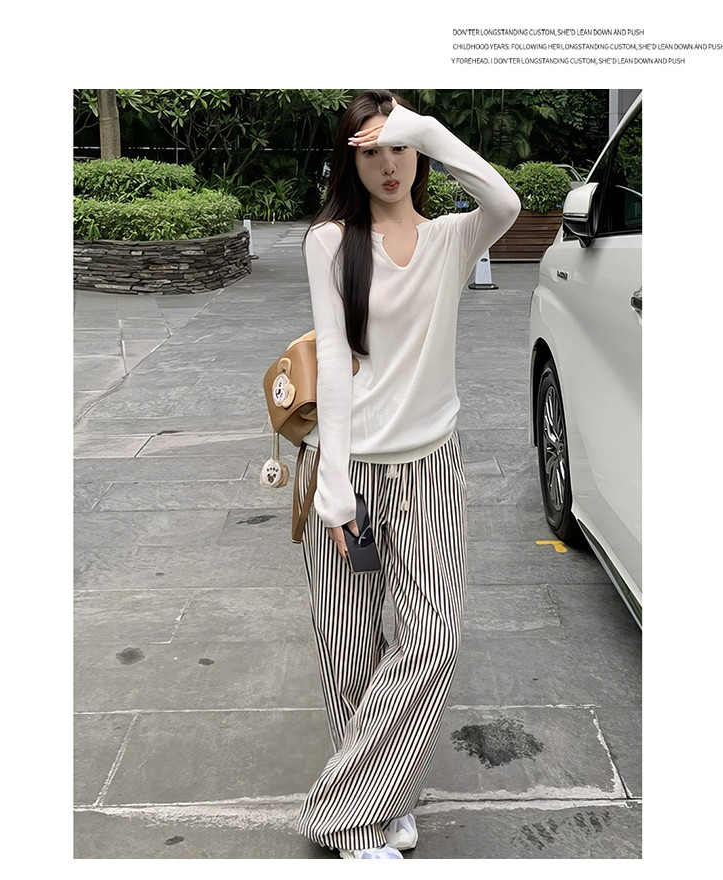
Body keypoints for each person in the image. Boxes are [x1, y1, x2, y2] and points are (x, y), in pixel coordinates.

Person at [295, 90, 521, 859]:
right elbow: (332, 357)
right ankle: (371, 818)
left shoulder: (452, 238)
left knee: (432, 640)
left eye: (399, 146)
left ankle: (343, 810)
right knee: (350, 648)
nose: (388, 164)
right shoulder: (330, 242)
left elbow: (504, 199)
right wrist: (332, 487)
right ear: (349, 160)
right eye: (370, 150)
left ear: (419, 150)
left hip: (429, 468)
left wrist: (420, 125)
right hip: (347, 467)